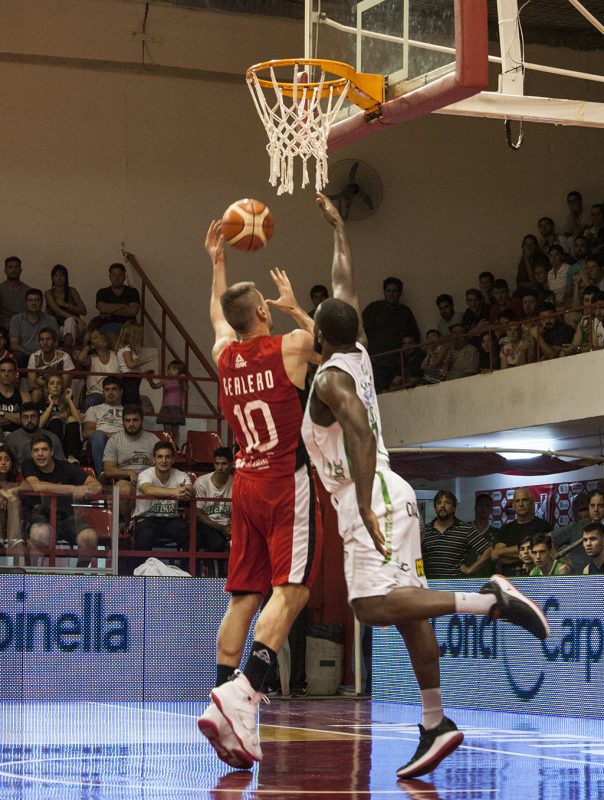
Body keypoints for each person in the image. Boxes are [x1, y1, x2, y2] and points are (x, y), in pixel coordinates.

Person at [300, 208, 549, 780]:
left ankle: (489, 601)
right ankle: (435, 722)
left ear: (318, 337)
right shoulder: (357, 352)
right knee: (411, 611)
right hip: (394, 489)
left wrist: (365, 503)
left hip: (369, 493)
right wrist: (339, 231)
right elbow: (345, 286)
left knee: (369, 608)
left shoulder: (330, 379)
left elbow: (360, 433)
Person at [197, 196, 328, 770]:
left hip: (244, 482)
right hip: (284, 481)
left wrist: (217, 263)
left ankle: (222, 699)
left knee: (245, 596)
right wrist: (298, 309)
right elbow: (334, 346)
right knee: (292, 590)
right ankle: (244, 691)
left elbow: (217, 316)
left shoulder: (224, 354)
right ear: (263, 313)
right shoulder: (289, 346)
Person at [21, 432, 101, 567]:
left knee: (89, 538)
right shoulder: (28, 465)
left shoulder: (65, 467)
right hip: (41, 517)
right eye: (36, 450)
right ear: (32, 454)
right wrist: (72, 489)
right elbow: (37, 485)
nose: (40, 454)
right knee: (39, 534)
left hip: (68, 517)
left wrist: (84, 490)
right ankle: (34, 574)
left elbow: (97, 486)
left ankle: (79, 575)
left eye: (44, 449)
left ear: (52, 451)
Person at [131, 440, 193, 568]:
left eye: (167, 457)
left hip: (171, 519)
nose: (163, 460)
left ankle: (185, 572)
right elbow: (148, 489)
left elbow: (189, 491)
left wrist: (188, 491)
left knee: (190, 534)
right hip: (146, 519)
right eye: (160, 457)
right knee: (145, 536)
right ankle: (141, 574)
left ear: (173, 460)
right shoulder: (145, 474)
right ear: (153, 459)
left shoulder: (181, 475)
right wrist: (175, 491)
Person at [362, 277, 420, 392]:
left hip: (399, 362)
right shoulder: (373, 309)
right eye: (388, 291)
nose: (391, 294)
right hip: (377, 361)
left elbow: (415, 336)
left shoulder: (405, 312)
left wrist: (410, 358)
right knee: (379, 394)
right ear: (384, 292)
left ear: (400, 293)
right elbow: (360, 332)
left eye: (394, 291)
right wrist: (366, 354)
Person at [102, 404, 157, 520]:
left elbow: (163, 464)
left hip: (150, 480)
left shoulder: (153, 439)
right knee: (123, 490)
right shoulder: (114, 440)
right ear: (122, 421)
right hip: (126, 480)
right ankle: (129, 523)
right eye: (127, 420)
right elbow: (108, 470)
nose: (131, 424)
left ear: (141, 420)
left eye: (135, 420)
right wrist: (129, 472)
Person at [422, 491, 491, 578]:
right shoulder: (424, 530)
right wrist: (419, 575)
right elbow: (416, 557)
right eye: (439, 503)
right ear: (435, 508)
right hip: (429, 584)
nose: (442, 505)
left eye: (447, 503)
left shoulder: (465, 529)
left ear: (454, 508)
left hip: (455, 584)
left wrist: (470, 569)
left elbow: (488, 550)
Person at [194, 446, 234, 577]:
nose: (220, 468)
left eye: (224, 464)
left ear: (231, 464)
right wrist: (220, 527)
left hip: (228, 526)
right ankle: (217, 577)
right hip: (207, 525)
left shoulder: (236, 483)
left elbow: (240, 511)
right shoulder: (202, 482)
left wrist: (231, 525)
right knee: (216, 542)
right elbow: (198, 513)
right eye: (217, 463)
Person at [490, 488, 550, 575]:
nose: (521, 504)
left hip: (535, 577)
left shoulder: (543, 526)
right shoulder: (505, 529)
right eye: (517, 501)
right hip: (509, 580)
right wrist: (528, 556)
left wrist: (502, 552)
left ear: (531, 504)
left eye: (524, 500)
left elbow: (544, 553)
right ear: (513, 505)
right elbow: (496, 556)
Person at [82, 376, 124, 475]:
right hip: (101, 440)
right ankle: (102, 474)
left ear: (121, 392)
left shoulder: (128, 410)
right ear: (103, 393)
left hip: (123, 441)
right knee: (98, 435)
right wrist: (110, 436)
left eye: (114, 389)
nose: (110, 392)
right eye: (107, 389)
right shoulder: (94, 409)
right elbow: (86, 432)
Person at [9, 288, 59, 369]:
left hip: (46, 354)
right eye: (30, 300)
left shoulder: (51, 320)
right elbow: (14, 345)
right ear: (25, 303)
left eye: (37, 300)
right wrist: (33, 355)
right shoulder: (16, 319)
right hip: (24, 356)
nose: (33, 303)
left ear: (42, 302)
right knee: (19, 356)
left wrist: (43, 355)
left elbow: (55, 343)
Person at [5, 402, 65, 468]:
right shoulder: (11, 439)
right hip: (22, 473)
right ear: (20, 419)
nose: (29, 420)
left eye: (33, 416)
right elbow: (10, 467)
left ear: (39, 417)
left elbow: (61, 464)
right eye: (25, 417)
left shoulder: (52, 437)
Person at [26, 327, 75, 405]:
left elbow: (66, 384)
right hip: (41, 391)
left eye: (48, 339)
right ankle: (37, 413)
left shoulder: (65, 357)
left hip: (59, 390)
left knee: (66, 394)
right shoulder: (34, 357)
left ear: (55, 342)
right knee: (35, 394)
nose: (45, 342)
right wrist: (47, 391)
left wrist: (44, 382)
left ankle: (59, 413)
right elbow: (32, 384)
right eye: (42, 339)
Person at [39, 375, 82, 463]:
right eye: (52, 383)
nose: (55, 386)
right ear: (47, 389)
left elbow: (79, 422)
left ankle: (71, 457)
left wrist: (69, 399)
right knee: (56, 419)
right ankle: (58, 457)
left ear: (62, 388)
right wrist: (51, 404)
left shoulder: (67, 405)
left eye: (59, 383)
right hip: (49, 440)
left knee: (71, 419)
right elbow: (39, 424)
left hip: (67, 441)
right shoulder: (41, 404)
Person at [44, 264, 87, 349]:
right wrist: (77, 319)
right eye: (56, 275)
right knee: (69, 320)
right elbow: (58, 311)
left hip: (74, 327)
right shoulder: (48, 293)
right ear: (52, 278)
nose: (59, 278)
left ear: (66, 277)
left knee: (69, 321)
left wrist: (66, 305)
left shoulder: (72, 291)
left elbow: (83, 311)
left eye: (61, 275)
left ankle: (69, 349)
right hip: (56, 328)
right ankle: (67, 349)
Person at [76, 327, 120, 408]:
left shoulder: (116, 354)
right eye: (96, 337)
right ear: (92, 345)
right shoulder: (91, 359)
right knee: (90, 401)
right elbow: (81, 359)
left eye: (101, 334)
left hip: (115, 394)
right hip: (97, 394)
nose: (101, 337)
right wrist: (88, 347)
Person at [148, 359, 187, 445]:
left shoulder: (180, 380)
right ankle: (167, 444)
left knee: (175, 429)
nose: (170, 371)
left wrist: (183, 379)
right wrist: (150, 379)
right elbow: (155, 386)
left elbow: (185, 388)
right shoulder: (166, 380)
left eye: (174, 369)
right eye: (169, 369)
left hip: (176, 407)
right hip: (166, 407)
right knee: (167, 428)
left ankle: (175, 445)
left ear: (180, 371)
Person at [95, 262, 141, 334]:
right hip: (108, 326)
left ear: (124, 277)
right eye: (114, 275)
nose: (117, 278)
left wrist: (109, 311)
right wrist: (123, 305)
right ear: (110, 276)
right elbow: (102, 308)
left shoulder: (132, 292)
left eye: (120, 275)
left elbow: (133, 311)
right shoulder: (102, 292)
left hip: (128, 326)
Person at [115, 320, 154, 405]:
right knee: (132, 400)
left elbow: (135, 365)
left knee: (133, 398)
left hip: (133, 378)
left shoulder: (129, 350)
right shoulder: (127, 349)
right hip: (129, 378)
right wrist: (146, 360)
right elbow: (130, 364)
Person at [0, 444, 25, 561]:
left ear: (11, 463)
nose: (3, 463)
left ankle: (14, 539)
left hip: (13, 522)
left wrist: (11, 491)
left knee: (14, 499)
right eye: (0, 459)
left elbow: (29, 486)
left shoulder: (16, 476)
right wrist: (2, 492)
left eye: (7, 459)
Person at [0, 358, 29, 440]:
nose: (6, 374)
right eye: (3, 371)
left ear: (15, 373)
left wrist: (2, 413)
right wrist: (18, 417)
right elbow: (22, 419)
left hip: (19, 438)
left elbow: (28, 420)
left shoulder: (25, 396)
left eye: (10, 371)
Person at [0, 256, 30, 327]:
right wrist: (3, 324)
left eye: (17, 267)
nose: (14, 269)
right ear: (5, 271)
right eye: (10, 267)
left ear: (20, 270)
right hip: (4, 328)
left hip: (24, 326)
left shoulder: (28, 291)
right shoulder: (1, 289)